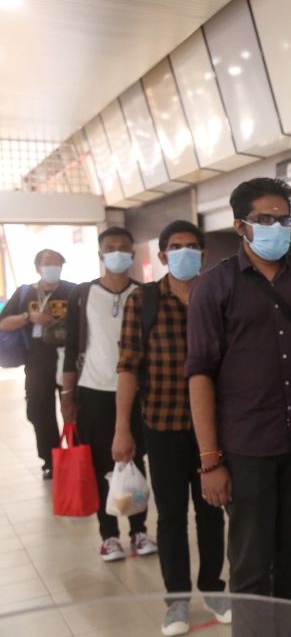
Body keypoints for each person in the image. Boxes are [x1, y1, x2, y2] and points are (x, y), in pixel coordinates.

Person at [186, 178, 291, 629]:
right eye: (266, 219)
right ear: (240, 226)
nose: (278, 226)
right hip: (246, 449)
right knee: (252, 566)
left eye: (285, 218)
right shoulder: (214, 286)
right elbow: (200, 376)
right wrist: (210, 461)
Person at [112, 220, 229, 636]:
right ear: (162, 256)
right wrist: (122, 428)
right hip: (161, 428)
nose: (184, 253)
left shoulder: (219, 296)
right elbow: (127, 368)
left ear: (204, 253)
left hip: (213, 431)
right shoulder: (141, 302)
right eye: (175, 247)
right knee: (172, 519)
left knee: (213, 512)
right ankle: (176, 601)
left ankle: (214, 587)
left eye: (192, 246)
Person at [61, 227, 157, 562]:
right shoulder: (83, 294)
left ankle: (140, 530)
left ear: (133, 253)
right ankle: (109, 536)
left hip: (138, 393)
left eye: (124, 248)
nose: (117, 253)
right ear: (100, 254)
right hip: (94, 391)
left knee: (136, 459)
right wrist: (67, 394)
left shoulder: (146, 294)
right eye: (110, 248)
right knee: (102, 463)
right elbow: (72, 346)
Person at [0, 249, 74, 479]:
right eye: (48, 263)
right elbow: (4, 324)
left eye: (57, 263)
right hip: (37, 361)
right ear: (37, 268)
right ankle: (50, 460)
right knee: (39, 411)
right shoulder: (25, 293)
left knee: (74, 409)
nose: (53, 267)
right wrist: (27, 317)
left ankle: (76, 454)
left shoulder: (73, 290)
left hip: (68, 359)